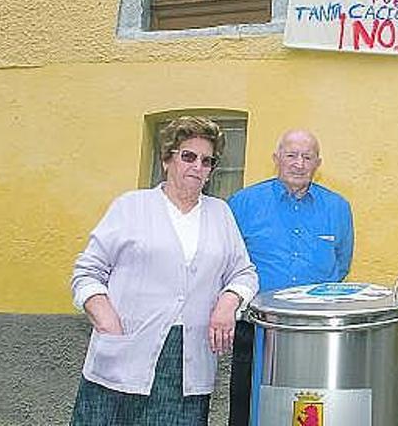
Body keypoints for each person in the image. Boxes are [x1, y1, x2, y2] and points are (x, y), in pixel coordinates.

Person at [69, 116, 259, 426]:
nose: (198, 166)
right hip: (125, 353)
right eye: (188, 156)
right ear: (167, 159)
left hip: (187, 365)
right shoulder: (130, 206)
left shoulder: (220, 213)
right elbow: (87, 271)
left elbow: (244, 273)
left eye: (207, 161)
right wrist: (107, 320)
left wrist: (229, 302)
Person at [226, 129, 354, 426]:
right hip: (257, 329)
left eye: (307, 157)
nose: (299, 163)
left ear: (317, 163)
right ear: (276, 159)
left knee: (310, 410)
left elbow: (342, 264)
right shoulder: (242, 203)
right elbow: (227, 262)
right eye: (291, 155)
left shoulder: (338, 208)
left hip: (317, 332)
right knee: (249, 410)